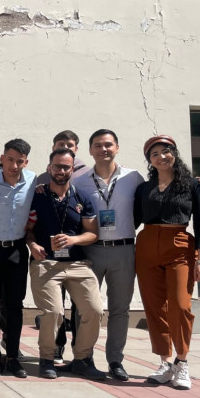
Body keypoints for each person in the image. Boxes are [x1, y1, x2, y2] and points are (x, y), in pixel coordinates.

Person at [135, 135, 200, 390]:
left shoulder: (193, 185)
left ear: (174, 153)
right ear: (150, 161)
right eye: (154, 154)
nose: (161, 156)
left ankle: (182, 361)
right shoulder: (145, 188)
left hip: (178, 244)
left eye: (165, 151)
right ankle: (166, 362)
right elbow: (132, 219)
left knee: (180, 305)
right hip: (146, 245)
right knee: (155, 307)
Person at [27, 148, 105, 381]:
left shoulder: (82, 197)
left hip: (78, 263)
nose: (61, 171)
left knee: (94, 309)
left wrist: (73, 239)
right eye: (57, 166)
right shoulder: (37, 196)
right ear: (49, 168)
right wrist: (32, 245)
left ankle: (81, 359)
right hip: (46, 263)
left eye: (66, 167)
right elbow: (28, 231)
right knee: (54, 312)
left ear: (72, 169)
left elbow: (92, 234)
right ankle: (47, 358)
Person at [73, 129, 144, 381]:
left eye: (108, 145)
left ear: (117, 147)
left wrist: (195, 184)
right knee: (86, 308)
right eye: (98, 145)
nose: (104, 149)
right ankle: (83, 356)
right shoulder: (79, 181)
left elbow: (157, 195)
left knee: (120, 310)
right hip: (91, 251)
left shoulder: (133, 178)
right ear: (90, 150)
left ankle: (115, 360)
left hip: (124, 250)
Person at [0, 139, 37, 378]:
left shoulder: (32, 181)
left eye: (19, 161)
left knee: (15, 305)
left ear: (26, 162)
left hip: (16, 250)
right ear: (2, 158)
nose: (14, 165)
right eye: (10, 159)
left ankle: (12, 357)